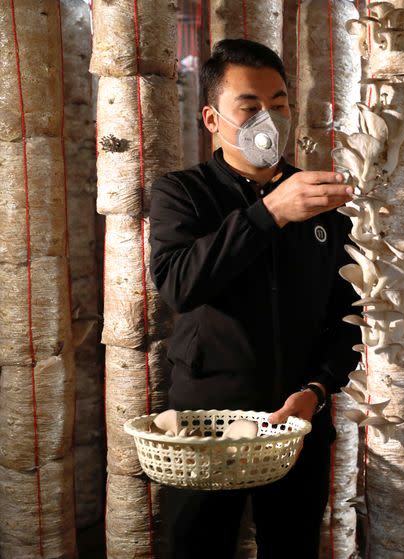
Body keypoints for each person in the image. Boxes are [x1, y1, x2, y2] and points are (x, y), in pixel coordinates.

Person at [148, 38, 361, 559]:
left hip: (295, 423)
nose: (269, 119)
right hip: (206, 424)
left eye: (280, 104)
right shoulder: (183, 193)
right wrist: (270, 214)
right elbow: (178, 283)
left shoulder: (322, 202)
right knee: (198, 547)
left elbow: (352, 314)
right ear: (212, 118)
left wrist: (317, 388)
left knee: (293, 546)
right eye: (249, 106)